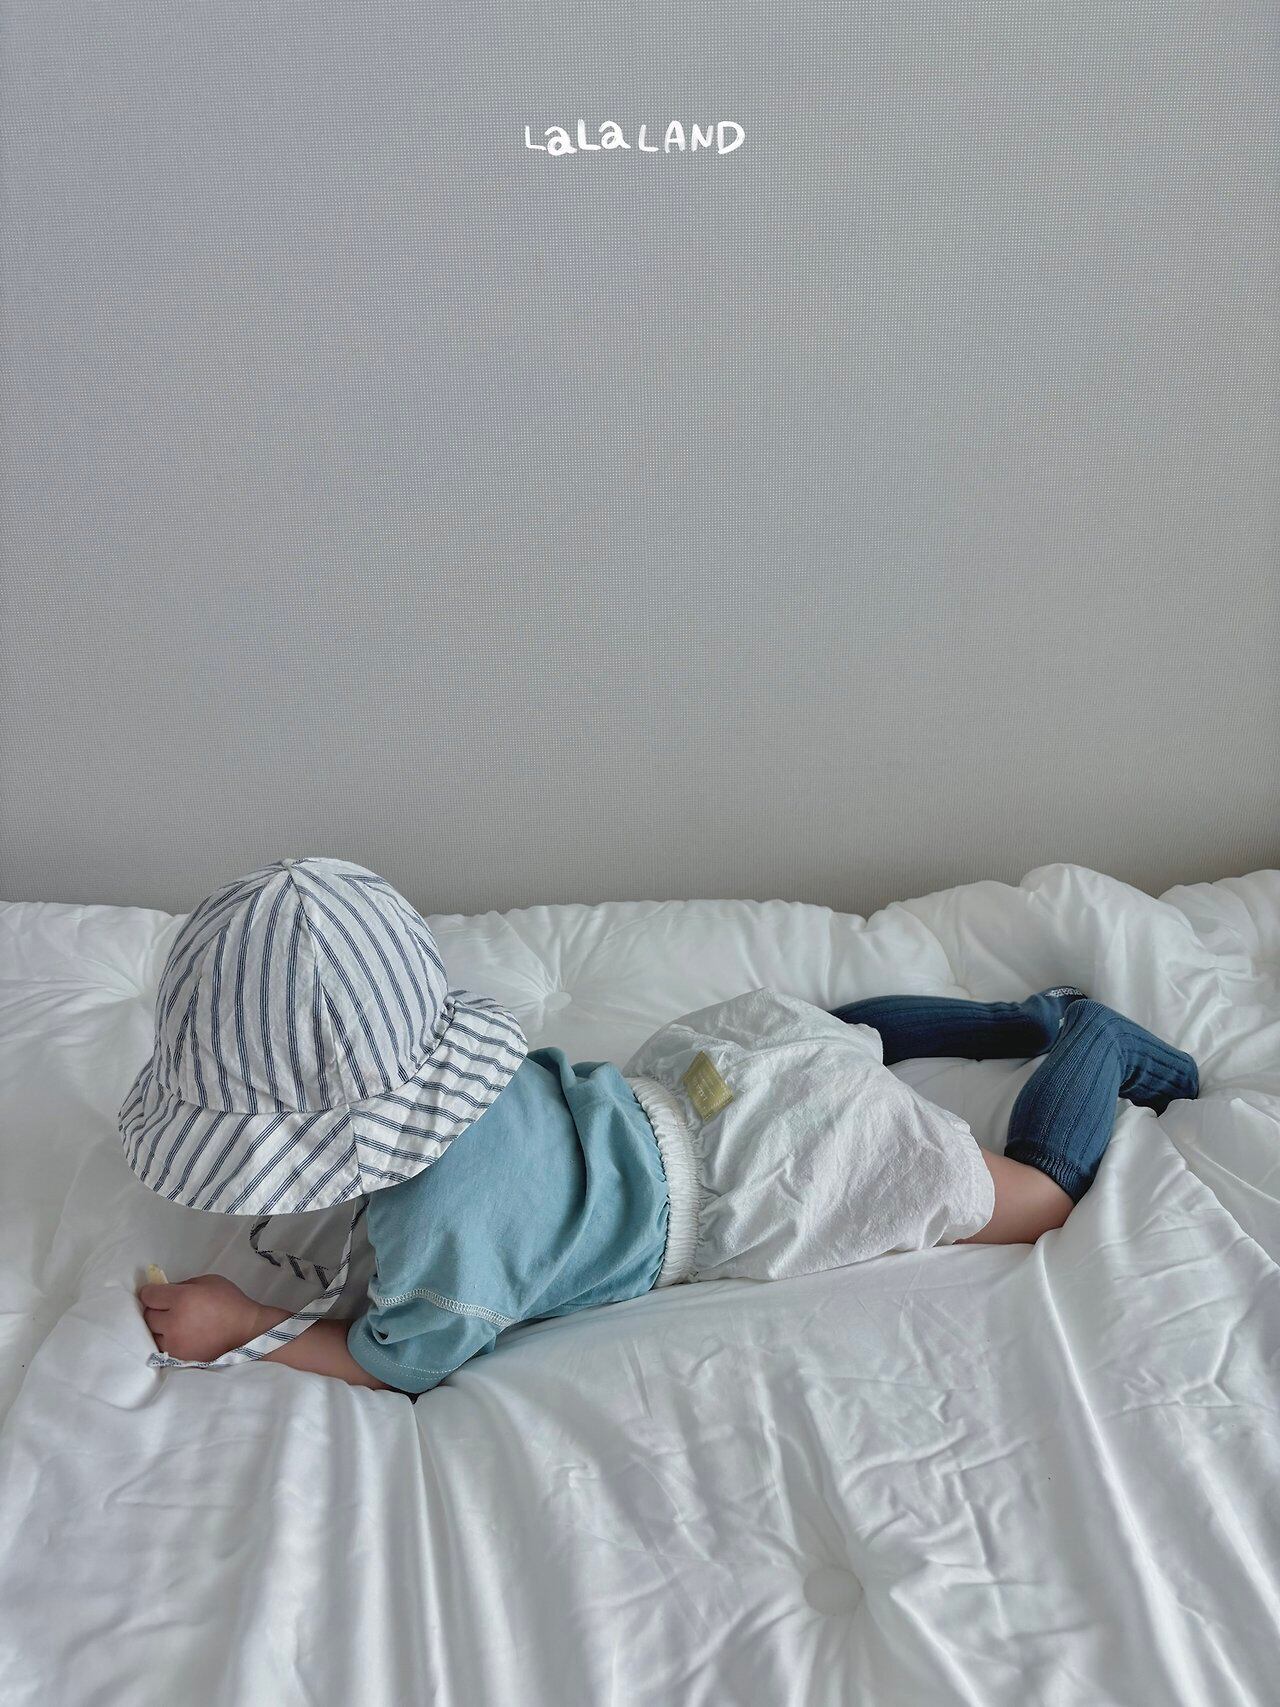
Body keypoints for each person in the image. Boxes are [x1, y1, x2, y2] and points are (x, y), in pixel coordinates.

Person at [127, 857, 1200, 1394]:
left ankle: (1091, 1042)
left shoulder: (442, 1253)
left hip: (772, 1170)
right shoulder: (464, 1067)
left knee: (1032, 1196)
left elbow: (395, 1363)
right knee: (837, 1034)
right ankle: (1016, 1021)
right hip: (706, 1068)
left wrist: (242, 1323)